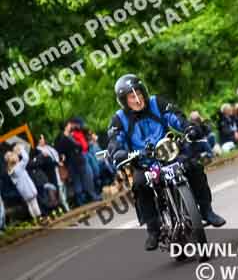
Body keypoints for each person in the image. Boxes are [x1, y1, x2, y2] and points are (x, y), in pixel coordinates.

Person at [107, 74, 226, 251]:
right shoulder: (119, 118)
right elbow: (115, 139)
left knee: (194, 166)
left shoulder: (157, 103)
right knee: (140, 184)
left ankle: (207, 210)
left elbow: (175, 117)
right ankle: (153, 229)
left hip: (169, 153)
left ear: (144, 93)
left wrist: (188, 128)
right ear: (124, 101)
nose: (137, 99)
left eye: (139, 93)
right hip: (144, 162)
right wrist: (118, 152)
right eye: (132, 97)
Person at [55, 120, 91, 206]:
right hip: (72, 161)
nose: (70, 126)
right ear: (66, 126)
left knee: (81, 180)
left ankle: (84, 198)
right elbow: (64, 150)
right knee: (80, 180)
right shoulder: (63, 138)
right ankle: (83, 199)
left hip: (77, 159)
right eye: (68, 124)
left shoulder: (69, 136)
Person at [5, 145, 41, 222]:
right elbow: (25, 158)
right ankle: (39, 217)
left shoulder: (10, 170)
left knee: (29, 204)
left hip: (22, 190)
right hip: (28, 187)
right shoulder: (18, 167)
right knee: (34, 202)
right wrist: (21, 149)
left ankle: (35, 219)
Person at [37, 135, 70, 212]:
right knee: (59, 188)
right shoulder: (39, 150)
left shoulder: (49, 147)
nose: (43, 139)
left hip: (59, 169)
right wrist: (57, 163)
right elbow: (47, 162)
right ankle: (65, 207)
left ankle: (65, 204)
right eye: (41, 138)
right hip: (52, 173)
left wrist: (61, 157)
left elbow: (56, 155)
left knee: (63, 186)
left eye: (43, 138)